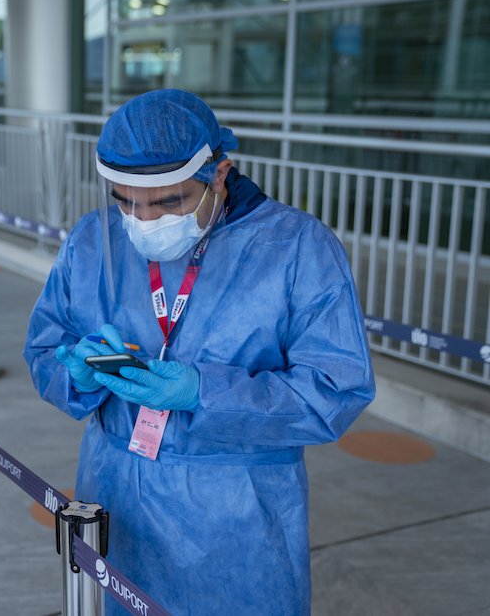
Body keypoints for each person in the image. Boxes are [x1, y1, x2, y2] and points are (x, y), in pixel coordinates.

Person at [24, 89, 375, 615]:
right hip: (114, 488)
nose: (144, 221)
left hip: (236, 512)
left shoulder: (296, 247)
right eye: (125, 200)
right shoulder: (93, 241)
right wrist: (79, 372)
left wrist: (201, 391)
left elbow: (335, 390)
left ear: (221, 173)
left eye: (170, 202)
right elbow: (47, 347)